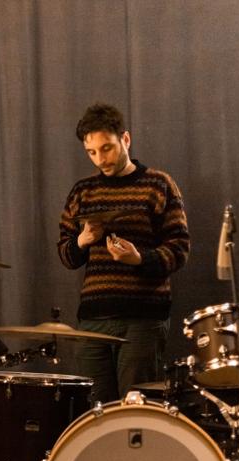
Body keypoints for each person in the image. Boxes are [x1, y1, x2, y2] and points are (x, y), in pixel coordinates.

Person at [57, 103, 190, 405]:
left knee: (136, 410)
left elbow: (180, 248)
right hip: (94, 319)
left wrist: (139, 259)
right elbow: (65, 255)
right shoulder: (82, 191)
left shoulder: (158, 184)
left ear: (125, 139)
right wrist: (82, 241)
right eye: (91, 152)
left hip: (142, 318)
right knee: (96, 412)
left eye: (107, 148)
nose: (100, 159)